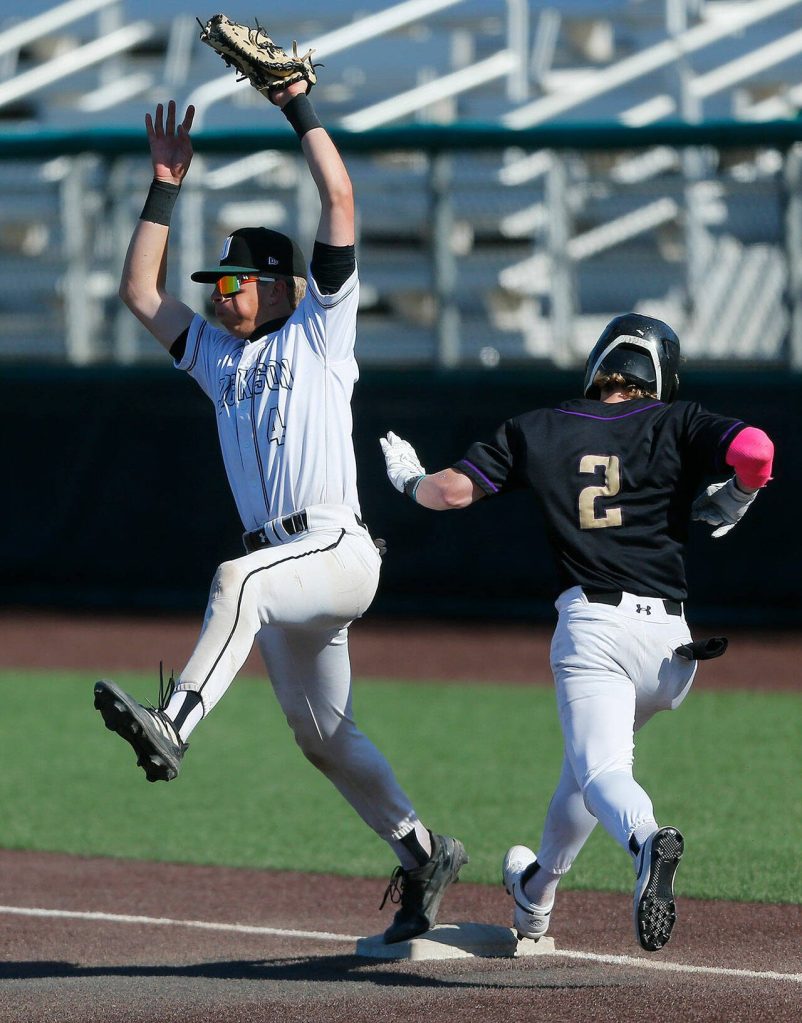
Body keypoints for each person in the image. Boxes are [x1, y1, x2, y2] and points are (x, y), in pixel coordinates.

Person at [92, 89, 467, 945]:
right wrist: (164, 188)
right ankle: (424, 851)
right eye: (216, 282)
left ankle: (175, 722)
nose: (219, 294)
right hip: (290, 571)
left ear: (271, 284)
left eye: (231, 280)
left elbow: (339, 201)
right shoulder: (220, 357)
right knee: (322, 735)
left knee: (236, 578)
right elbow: (138, 290)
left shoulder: (320, 331)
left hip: (335, 545)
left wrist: (300, 106)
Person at [379, 313, 774, 952]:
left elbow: (448, 494)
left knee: (602, 775)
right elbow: (758, 452)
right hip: (672, 648)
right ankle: (534, 898)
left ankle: (646, 841)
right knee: (582, 775)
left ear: (598, 366)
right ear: (660, 373)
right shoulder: (678, 420)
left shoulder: (538, 427)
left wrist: (407, 479)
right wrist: (738, 494)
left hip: (595, 632)